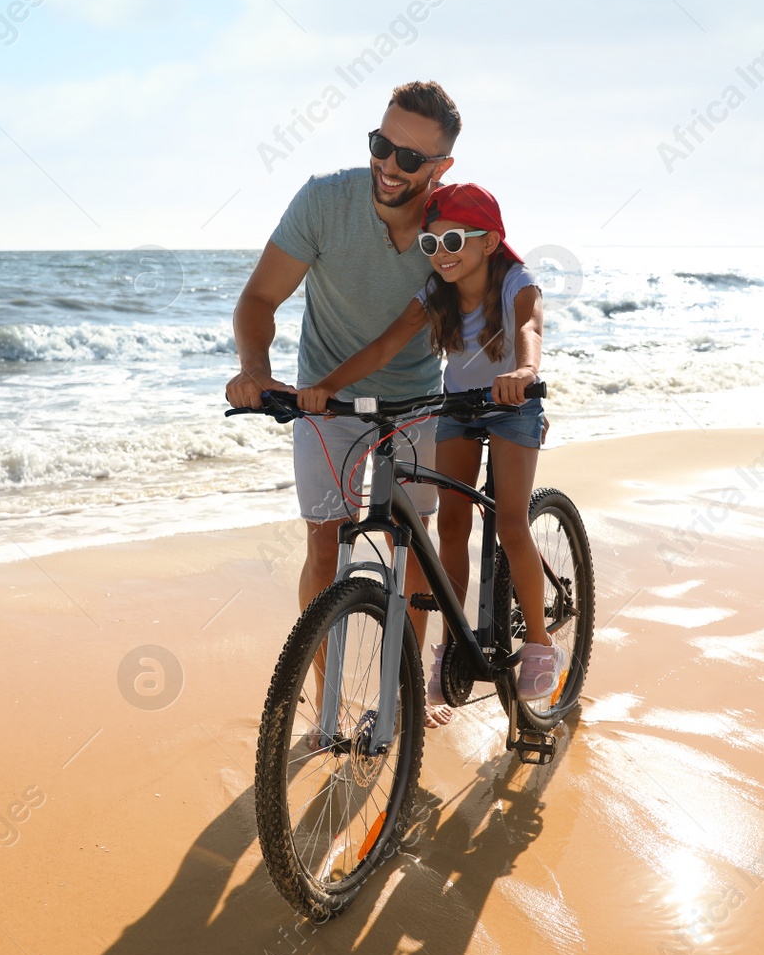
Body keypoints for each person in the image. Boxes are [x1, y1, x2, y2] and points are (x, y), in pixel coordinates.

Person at [225, 80, 461, 725]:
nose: (389, 166)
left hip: (414, 405)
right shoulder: (325, 200)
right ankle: (329, 693)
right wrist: (255, 371)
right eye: (381, 145)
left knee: (410, 545)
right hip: (321, 404)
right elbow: (257, 302)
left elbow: (495, 299)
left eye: (410, 158)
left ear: (440, 167)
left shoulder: (449, 225)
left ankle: (403, 692)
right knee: (324, 542)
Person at [296, 182, 567, 707]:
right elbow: (385, 345)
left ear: (488, 242)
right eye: (430, 244)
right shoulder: (434, 292)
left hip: (514, 405)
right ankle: (450, 649)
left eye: (453, 242)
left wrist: (525, 370)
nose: (439, 255)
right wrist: (329, 387)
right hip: (458, 409)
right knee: (452, 528)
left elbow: (530, 327)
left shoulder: (516, 282)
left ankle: (539, 641)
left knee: (510, 524)